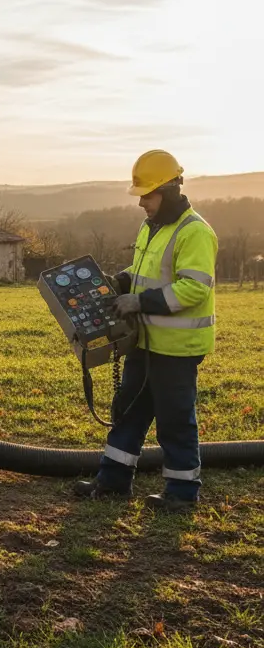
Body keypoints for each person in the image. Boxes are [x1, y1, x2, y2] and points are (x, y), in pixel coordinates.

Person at [75, 150, 217, 512]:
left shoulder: (195, 232)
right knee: (129, 411)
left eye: (147, 195)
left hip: (177, 348)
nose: (141, 203)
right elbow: (142, 271)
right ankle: (113, 480)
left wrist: (139, 302)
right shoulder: (152, 227)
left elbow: (194, 288)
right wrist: (119, 282)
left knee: (174, 421)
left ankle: (182, 495)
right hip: (145, 341)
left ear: (168, 191)